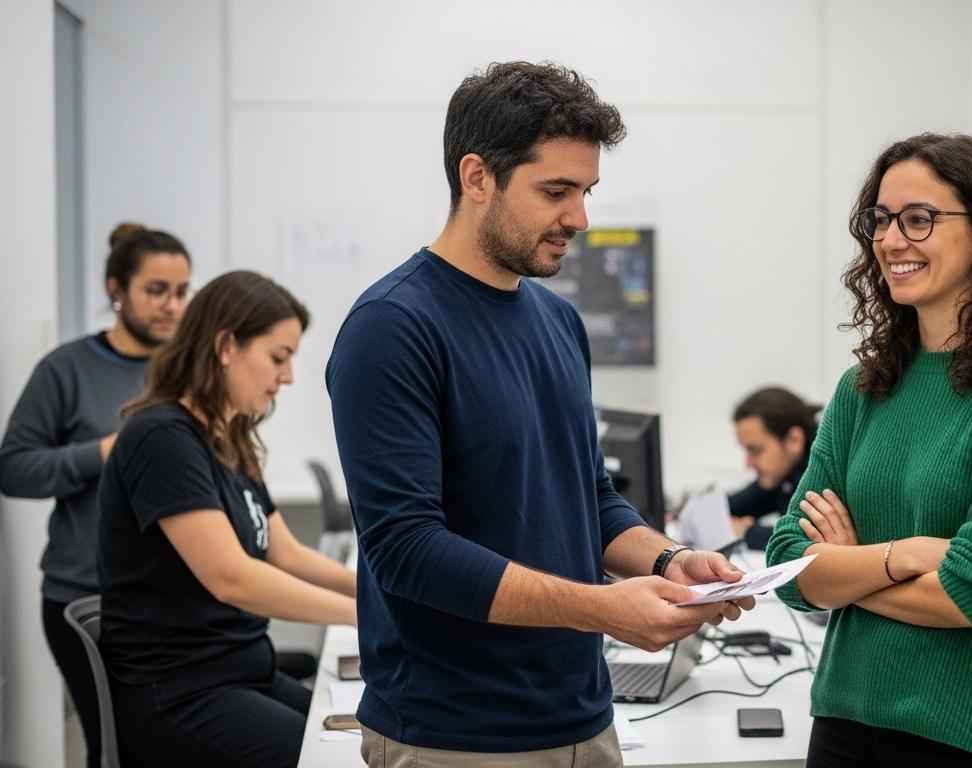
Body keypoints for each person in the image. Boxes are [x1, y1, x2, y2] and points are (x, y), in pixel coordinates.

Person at [325, 61, 753, 768]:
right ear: (476, 178)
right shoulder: (391, 327)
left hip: (582, 720)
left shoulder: (558, 321)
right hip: (455, 737)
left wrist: (672, 561)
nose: (579, 219)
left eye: (585, 192)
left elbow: (589, 499)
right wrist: (604, 607)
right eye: (555, 191)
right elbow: (406, 550)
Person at [766, 133, 972, 768]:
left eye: (919, 219)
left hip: (968, 731)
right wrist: (904, 556)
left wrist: (848, 568)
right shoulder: (864, 387)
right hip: (846, 714)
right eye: (881, 220)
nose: (889, 240)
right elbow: (789, 566)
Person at [97, 270, 357, 768]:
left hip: (241, 673)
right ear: (225, 346)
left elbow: (286, 553)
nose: (288, 377)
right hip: (180, 695)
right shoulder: (162, 438)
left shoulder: (229, 440)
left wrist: (373, 595)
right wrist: (368, 618)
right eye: (278, 358)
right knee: (338, 761)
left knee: (373, 742)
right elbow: (230, 578)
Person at [0, 222, 190, 768]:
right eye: (156, 291)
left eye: (181, 292)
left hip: (174, 599)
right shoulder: (66, 369)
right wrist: (105, 450)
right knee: (115, 750)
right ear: (116, 290)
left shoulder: (185, 370)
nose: (171, 306)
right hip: (87, 599)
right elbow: (14, 469)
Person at [727, 386, 819, 550]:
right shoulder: (783, 474)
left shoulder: (821, 476)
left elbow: (803, 537)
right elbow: (733, 504)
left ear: (794, 440)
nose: (748, 464)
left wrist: (745, 532)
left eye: (755, 450)